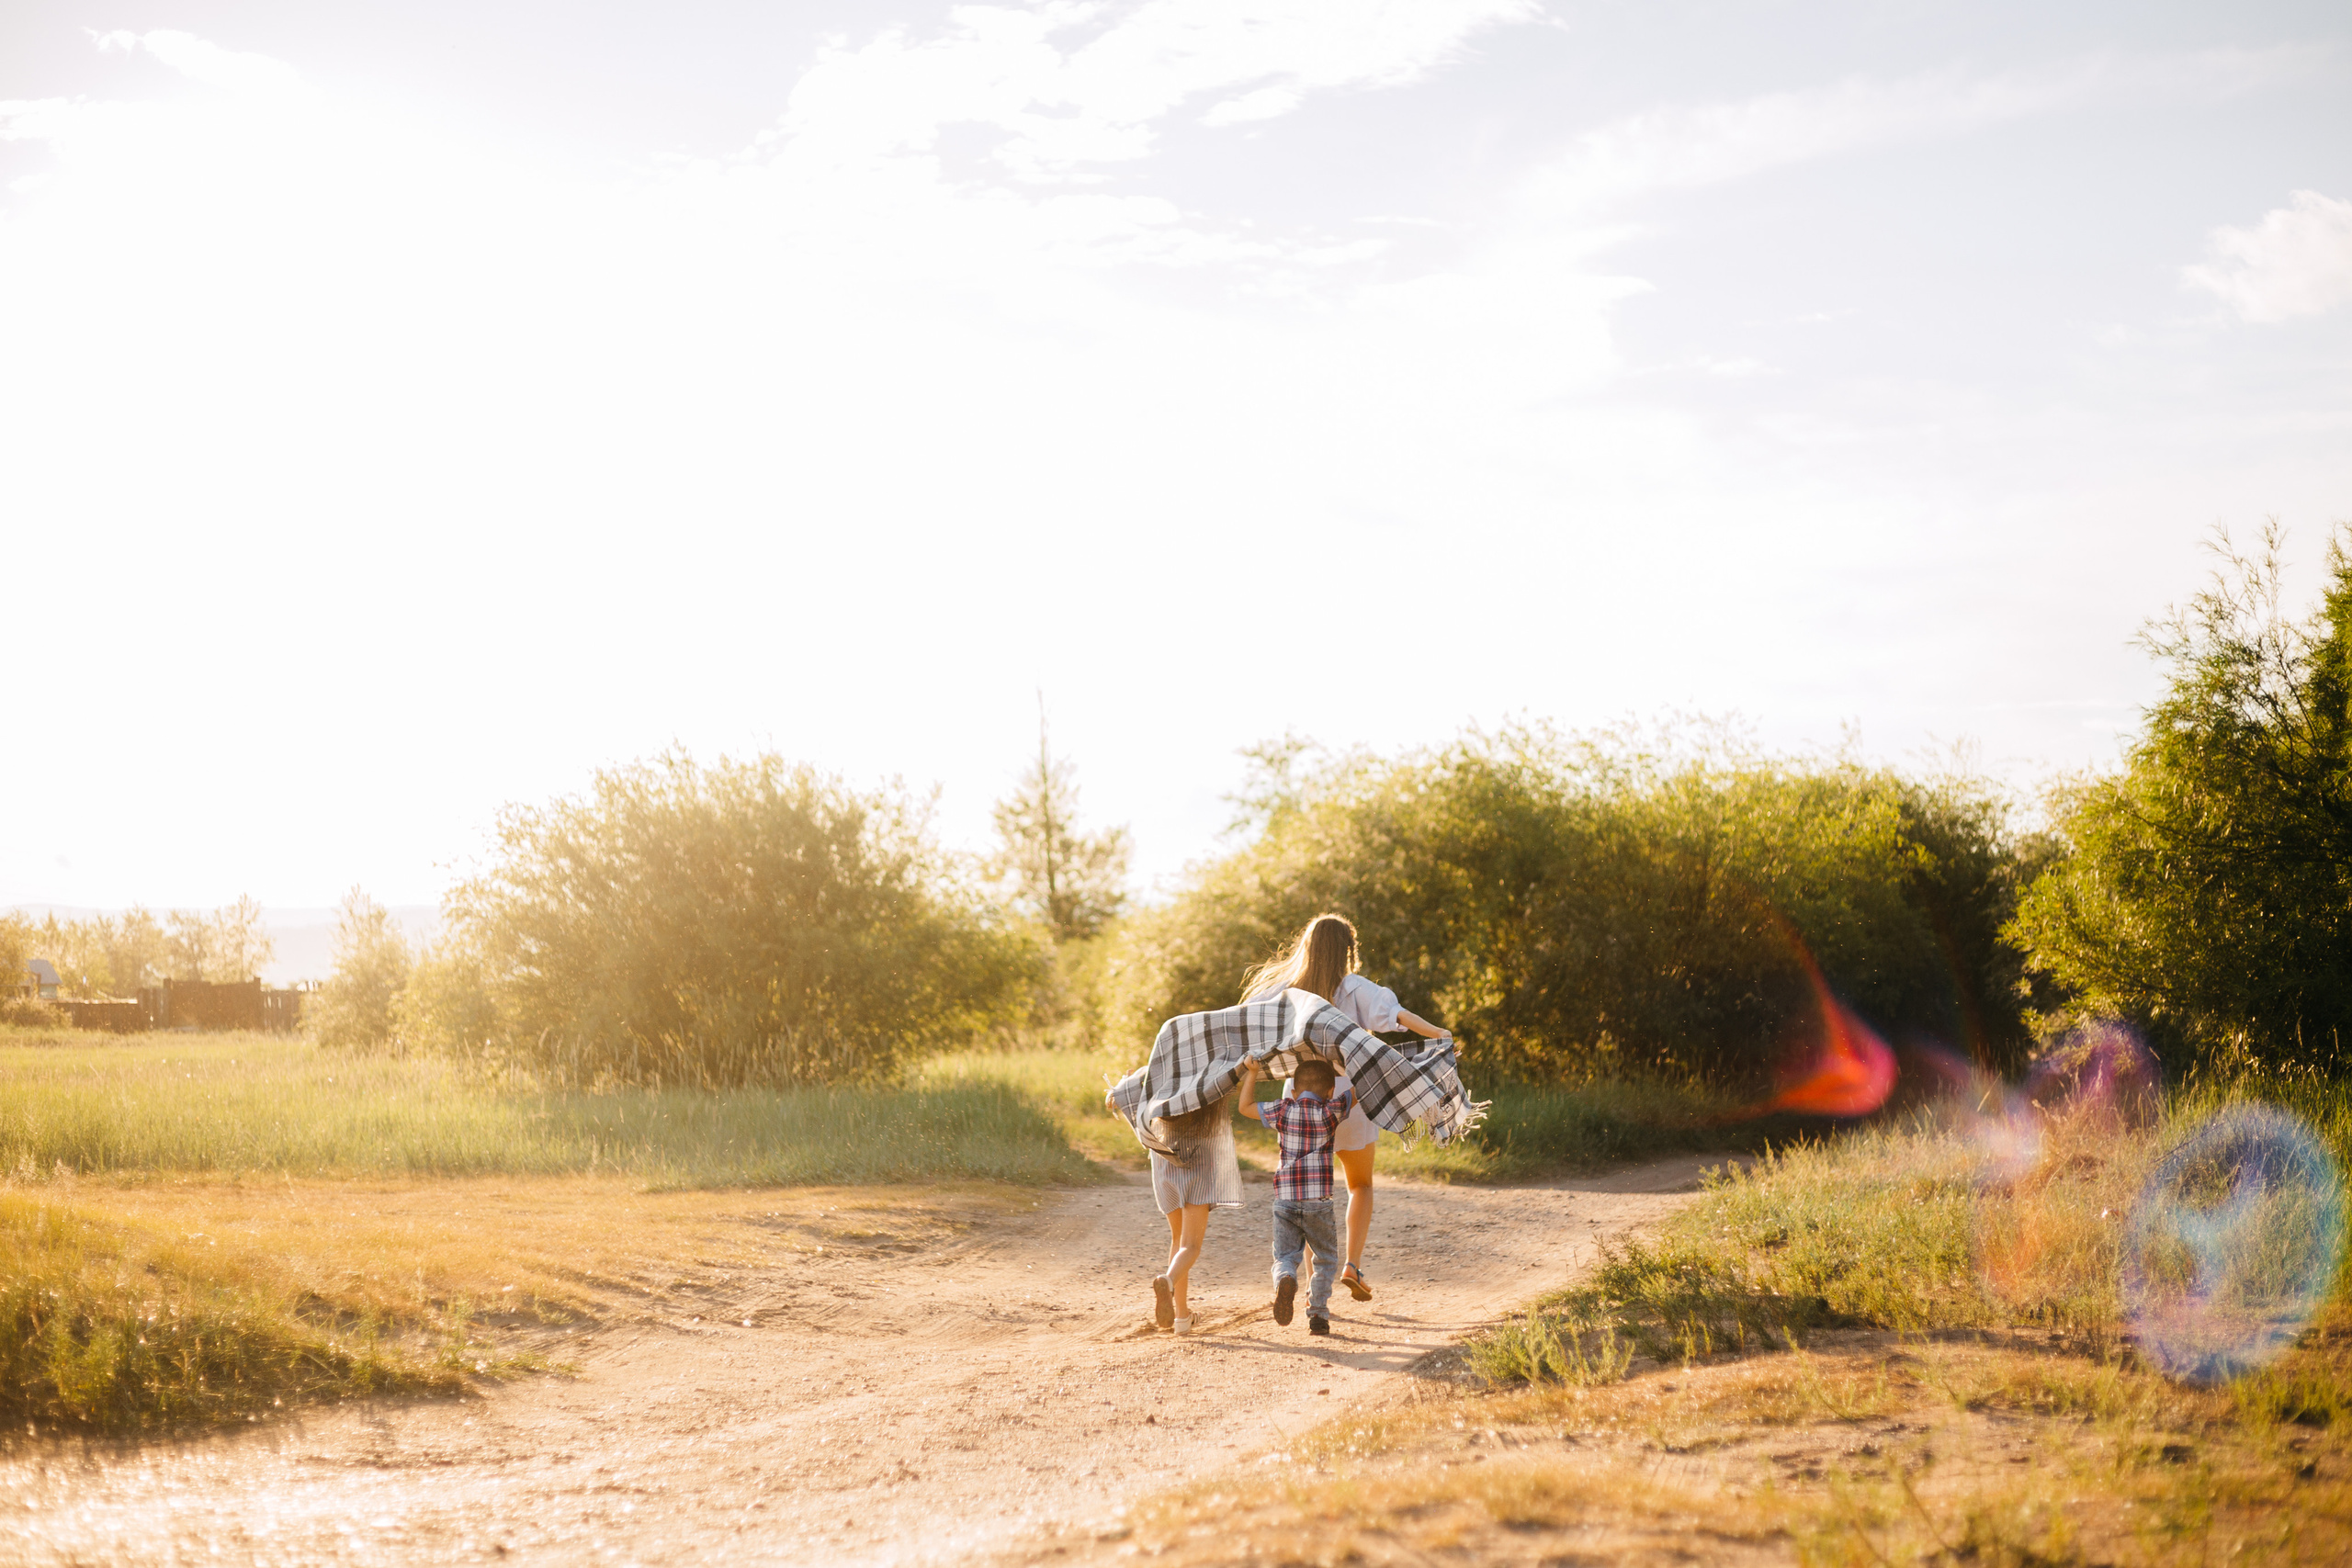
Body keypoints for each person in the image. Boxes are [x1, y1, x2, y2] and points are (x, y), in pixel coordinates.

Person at [1241, 913, 1450, 1303]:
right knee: (1360, 1185)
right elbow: (1398, 1015)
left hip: (1299, 1100)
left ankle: (1310, 1284)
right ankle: (1352, 1265)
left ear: (1306, 947)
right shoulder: (1355, 987)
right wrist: (1438, 1034)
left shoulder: (1286, 990)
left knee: (1306, 1194)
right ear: (1349, 950)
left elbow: (1245, 1021)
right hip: (1349, 1098)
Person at [1113, 1079, 1243, 1334]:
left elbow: (1130, 1088)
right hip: (1200, 1160)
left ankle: (1182, 1317)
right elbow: (1239, 1079)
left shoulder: (1162, 1075)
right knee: (1190, 1245)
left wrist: (1120, 1090)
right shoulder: (1212, 1078)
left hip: (1166, 1158)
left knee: (1178, 1239)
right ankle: (1168, 1281)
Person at [1235, 1056, 1353, 1336]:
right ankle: (1318, 1314)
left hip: (1285, 1200)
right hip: (1318, 1203)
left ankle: (1285, 1278)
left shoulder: (1282, 1109)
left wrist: (1252, 1072)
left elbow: (1244, 1107)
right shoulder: (1332, 1111)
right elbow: (1358, 1090)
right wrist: (1341, 1066)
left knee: (1285, 1256)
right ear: (1330, 1092)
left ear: (1293, 1091)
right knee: (1325, 1259)